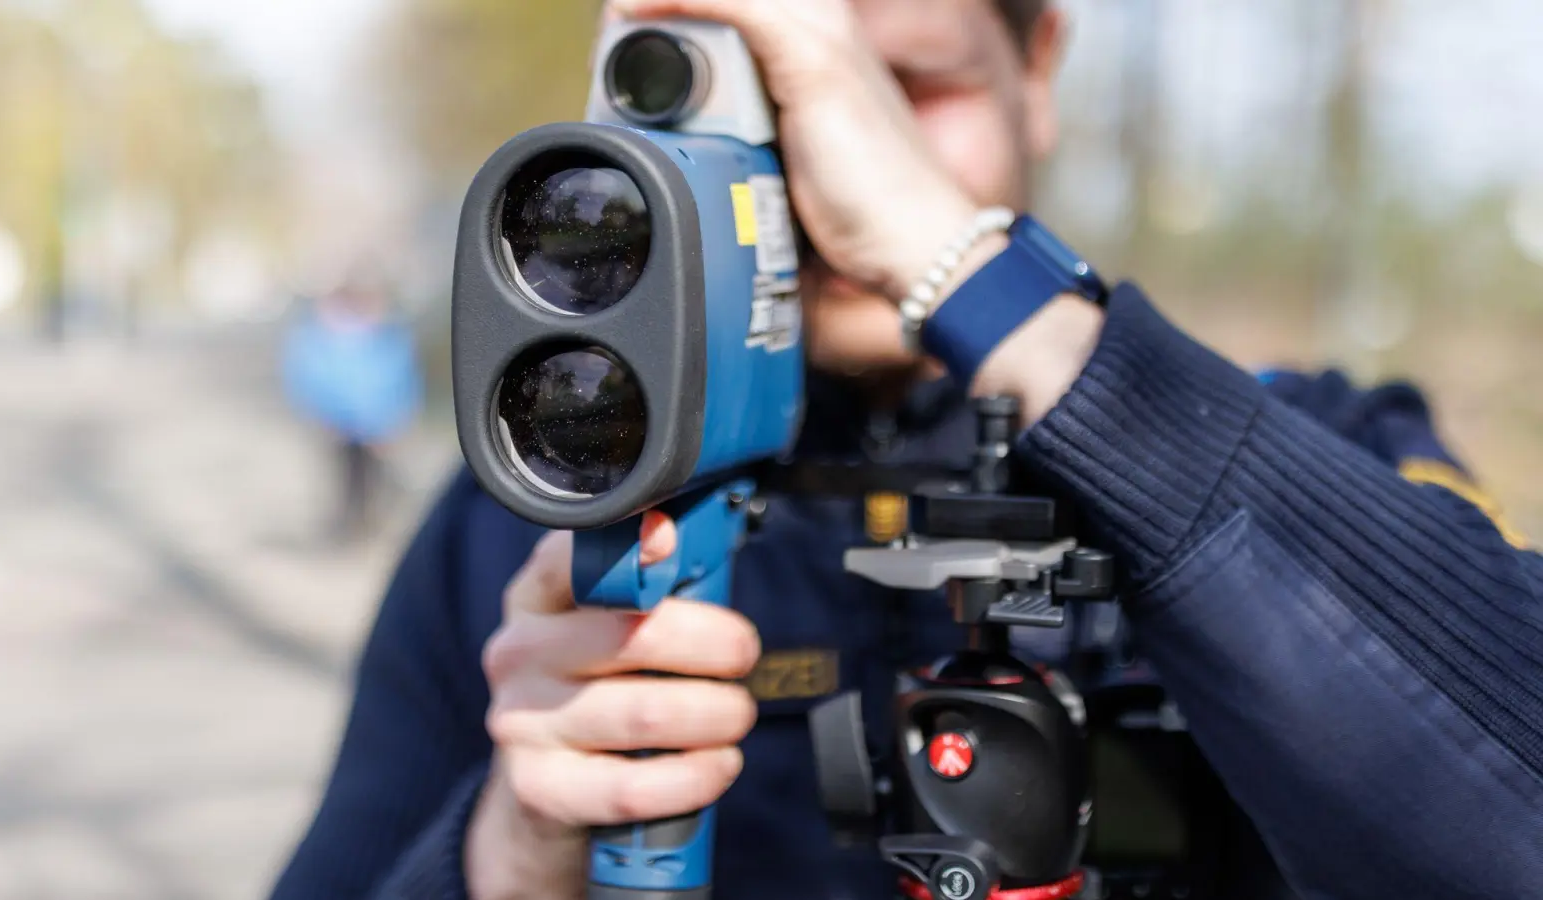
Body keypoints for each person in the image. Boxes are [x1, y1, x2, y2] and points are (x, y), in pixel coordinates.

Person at [269, 1, 1543, 899]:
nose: (824, 178)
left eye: (903, 94)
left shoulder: (1314, 449)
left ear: (1038, 63)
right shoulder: (533, 512)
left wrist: (975, 285)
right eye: (775, 107)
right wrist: (507, 857)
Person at [281, 274, 426, 543]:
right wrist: (321, 416)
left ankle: (366, 526)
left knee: (373, 481)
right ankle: (348, 528)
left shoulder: (388, 335)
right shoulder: (324, 338)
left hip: (376, 426)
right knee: (345, 481)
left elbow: (402, 378)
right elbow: (310, 378)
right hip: (341, 426)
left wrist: (397, 419)